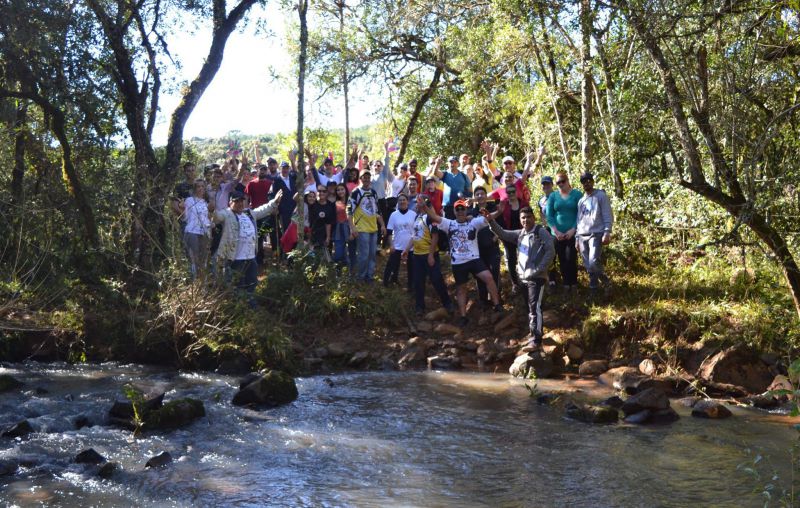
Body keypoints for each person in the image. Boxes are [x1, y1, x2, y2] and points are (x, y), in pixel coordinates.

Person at [418, 197, 502, 327]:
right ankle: (463, 316)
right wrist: (424, 206)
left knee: (489, 277)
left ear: (466, 209)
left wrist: (499, 210)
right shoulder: (449, 223)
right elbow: (434, 216)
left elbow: (488, 218)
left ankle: (497, 305)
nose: (460, 211)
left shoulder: (474, 222)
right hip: (458, 262)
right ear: (454, 211)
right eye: (458, 209)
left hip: (474, 259)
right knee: (461, 289)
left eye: (462, 208)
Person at [488, 207, 555, 349]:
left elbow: (550, 251)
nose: (526, 220)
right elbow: (503, 234)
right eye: (523, 217)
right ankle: (533, 336)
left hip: (537, 278)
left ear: (534, 218)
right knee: (530, 308)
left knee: (534, 307)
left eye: (528, 217)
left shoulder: (540, 232)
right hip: (524, 278)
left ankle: (536, 340)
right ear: (520, 219)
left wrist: (539, 269)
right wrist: (490, 220)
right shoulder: (520, 234)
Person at [213, 189, 283, 303]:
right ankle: (241, 309)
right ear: (230, 203)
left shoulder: (249, 213)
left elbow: (263, 210)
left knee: (252, 283)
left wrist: (274, 202)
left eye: (242, 201)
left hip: (250, 257)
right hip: (235, 259)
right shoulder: (226, 214)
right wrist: (211, 210)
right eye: (236, 201)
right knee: (238, 285)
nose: (240, 204)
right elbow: (216, 217)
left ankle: (250, 304)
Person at [403, 196, 454, 315]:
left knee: (437, 280)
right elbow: (414, 236)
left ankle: (447, 304)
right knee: (418, 282)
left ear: (424, 204)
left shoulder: (430, 217)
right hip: (417, 255)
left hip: (429, 254)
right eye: (415, 202)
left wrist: (431, 255)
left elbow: (435, 236)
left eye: (418, 202)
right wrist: (406, 250)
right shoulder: (417, 217)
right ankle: (419, 307)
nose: (415, 204)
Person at [576, 172, 613, 292]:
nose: (586, 183)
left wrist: (607, 231)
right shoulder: (581, 200)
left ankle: (606, 281)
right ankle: (594, 289)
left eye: (588, 180)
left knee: (593, 261)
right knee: (587, 265)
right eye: (583, 181)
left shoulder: (601, 196)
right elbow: (579, 220)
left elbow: (607, 214)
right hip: (582, 235)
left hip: (596, 233)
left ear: (592, 181)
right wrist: (577, 237)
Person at [546, 170, 582, 291]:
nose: (561, 184)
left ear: (567, 181)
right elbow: (549, 216)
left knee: (571, 257)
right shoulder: (553, 196)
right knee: (562, 258)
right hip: (557, 234)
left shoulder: (577, 195)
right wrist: (556, 231)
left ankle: (574, 283)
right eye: (558, 182)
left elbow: (581, 214)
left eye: (563, 181)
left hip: (573, 232)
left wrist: (573, 229)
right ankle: (566, 283)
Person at [348, 170, 386, 282]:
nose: (366, 179)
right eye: (364, 177)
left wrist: (382, 225)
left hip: (373, 228)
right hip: (361, 228)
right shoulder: (356, 192)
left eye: (368, 177)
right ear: (360, 179)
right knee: (364, 255)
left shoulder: (374, 193)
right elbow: (349, 210)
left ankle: (369, 276)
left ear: (370, 179)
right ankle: (360, 277)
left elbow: (377, 211)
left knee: (372, 255)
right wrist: (352, 227)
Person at [468, 186, 502, 307]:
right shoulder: (471, 212)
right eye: (477, 194)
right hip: (478, 249)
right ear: (475, 197)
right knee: (481, 275)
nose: (480, 196)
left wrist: (496, 237)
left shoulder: (493, 208)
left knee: (495, 273)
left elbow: (501, 224)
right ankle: (483, 300)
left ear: (486, 195)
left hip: (492, 247)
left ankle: (497, 299)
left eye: (482, 193)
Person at [383, 194, 415, 289]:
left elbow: (417, 231)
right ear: (398, 202)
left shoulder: (413, 214)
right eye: (400, 200)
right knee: (391, 265)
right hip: (397, 246)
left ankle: (411, 287)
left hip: (411, 247)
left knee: (412, 269)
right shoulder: (394, 215)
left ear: (408, 202)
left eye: (404, 200)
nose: (402, 202)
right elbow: (389, 231)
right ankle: (387, 283)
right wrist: (391, 245)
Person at [245, 158, 273, 265]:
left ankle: (273, 256)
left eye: (265, 170)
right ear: (258, 171)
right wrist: (247, 210)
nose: (263, 172)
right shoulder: (251, 184)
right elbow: (246, 197)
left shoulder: (271, 183)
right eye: (261, 170)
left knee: (271, 234)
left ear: (267, 171)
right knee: (258, 236)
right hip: (255, 213)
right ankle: (259, 258)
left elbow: (273, 197)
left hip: (268, 213)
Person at [182, 179, 212, 279]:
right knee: (193, 258)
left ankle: (202, 283)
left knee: (203, 259)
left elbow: (206, 219)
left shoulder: (205, 203)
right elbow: (185, 217)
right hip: (191, 231)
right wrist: (181, 208)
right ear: (195, 189)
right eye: (198, 186)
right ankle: (193, 282)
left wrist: (211, 224)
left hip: (204, 232)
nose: (200, 188)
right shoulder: (189, 200)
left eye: (202, 186)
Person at [538, 175, 559, 287]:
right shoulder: (541, 200)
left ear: (552, 184)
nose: (545, 186)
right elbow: (541, 214)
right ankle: (552, 278)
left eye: (547, 184)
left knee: (561, 252)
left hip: (560, 228)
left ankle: (567, 279)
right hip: (547, 229)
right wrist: (544, 225)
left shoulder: (558, 196)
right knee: (550, 253)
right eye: (544, 184)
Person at [306, 185, 335, 261]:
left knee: (325, 258)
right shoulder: (312, 203)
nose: (321, 193)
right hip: (311, 234)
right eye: (319, 191)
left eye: (324, 191)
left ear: (327, 193)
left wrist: (328, 237)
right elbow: (297, 199)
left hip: (323, 235)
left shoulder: (330, 206)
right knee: (311, 257)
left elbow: (328, 223)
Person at [332, 184, 355, 270]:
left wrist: (353, 231)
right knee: (338, 254)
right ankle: (338, 274)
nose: (340, 191)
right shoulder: (335, 203)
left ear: (345, 190)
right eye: (338, 190)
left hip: (350, 229)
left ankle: (351, 274)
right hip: (339, 230)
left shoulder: (352, 201)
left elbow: (354, 216)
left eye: (342, 189)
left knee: (351, 253)